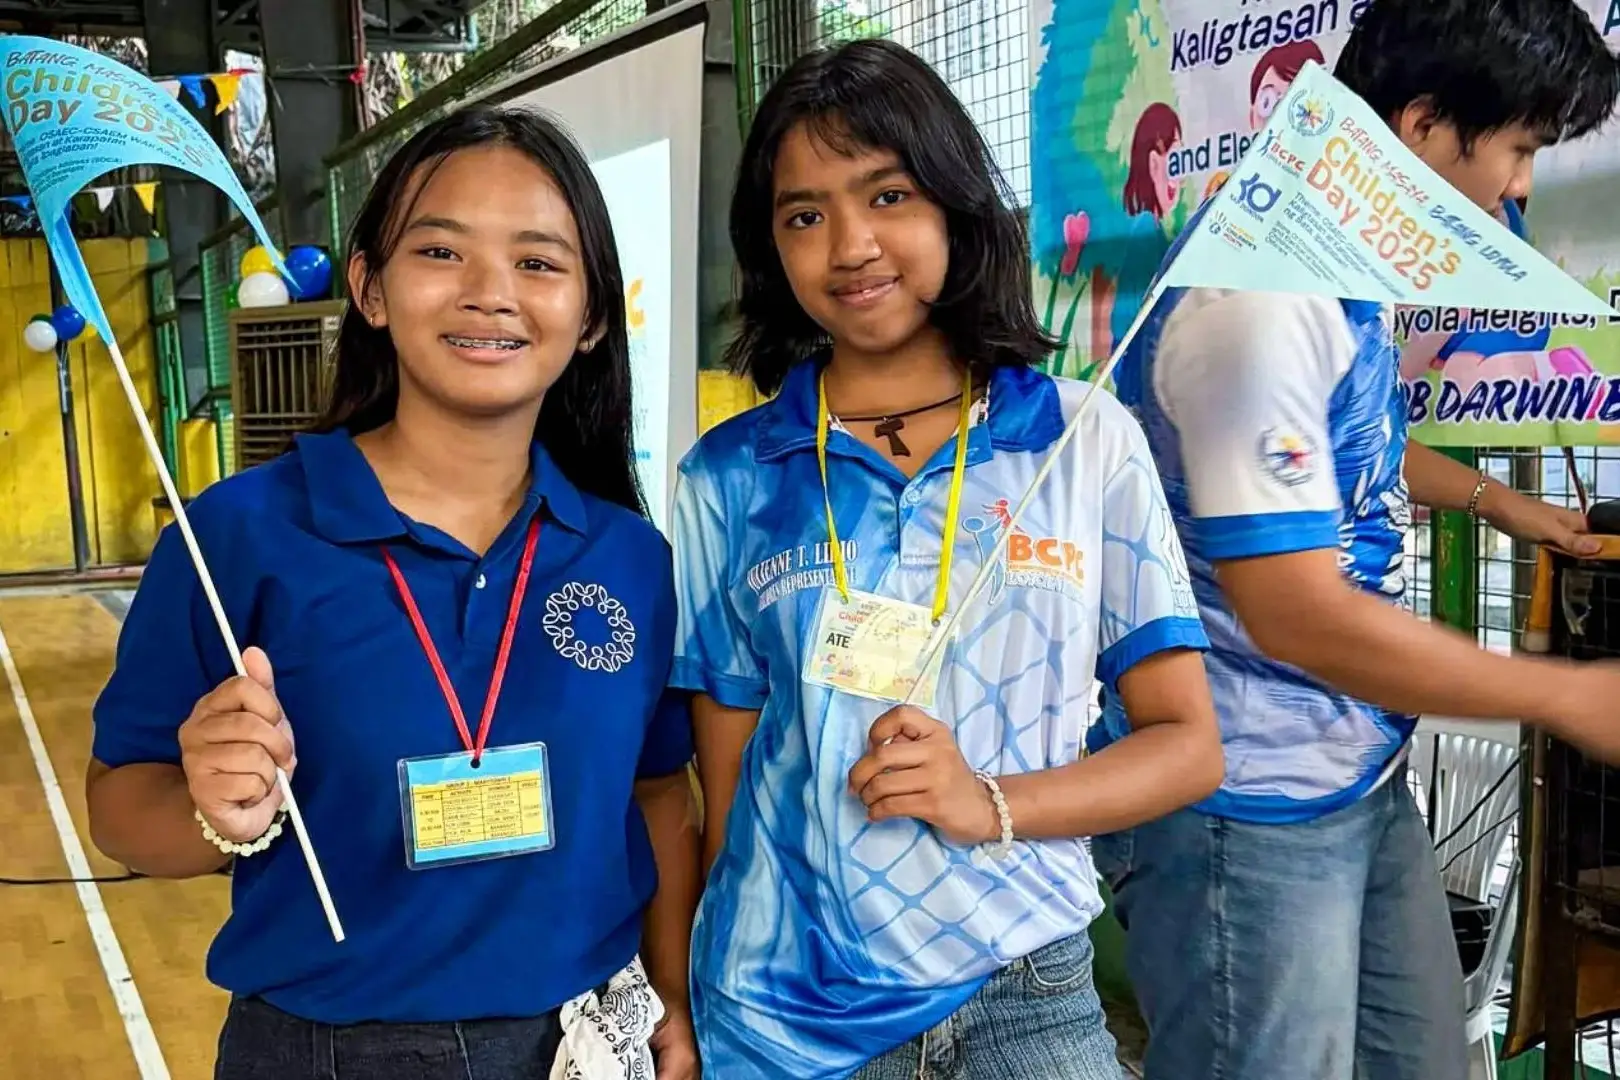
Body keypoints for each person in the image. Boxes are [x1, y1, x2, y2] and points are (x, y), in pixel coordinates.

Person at [84, 106, 701, 1080]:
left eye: (539, 263)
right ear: (369, 289)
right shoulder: (239, 537)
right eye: (442, 252)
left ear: (590, 317)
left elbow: (660, 796)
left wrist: (673, 1000)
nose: (491, 293)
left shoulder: (629, 556)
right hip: (321, 1052)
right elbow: (120, 806)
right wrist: (212, 810)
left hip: (584, 1039)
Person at [670, 38, 1223, 1080]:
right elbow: (730, 773)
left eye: (887, 195)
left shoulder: (1080, 441)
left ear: (956, 205)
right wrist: (696, 1002)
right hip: (787, 1012)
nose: (849, 246)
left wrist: (993, 803)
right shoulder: (731, 478)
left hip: (1029, 993)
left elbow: (1188, 745)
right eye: (804, 215)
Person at [1091, 2, 1620, 1078]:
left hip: (1355, 775)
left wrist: (1504, 504)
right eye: (1517, 149)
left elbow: (1348, 453)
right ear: (1425, 125)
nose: (1516, 188)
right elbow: (1296, 616)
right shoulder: (1259, 300)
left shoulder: (1331, 261)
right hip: (1242, 803)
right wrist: (1565, 696)